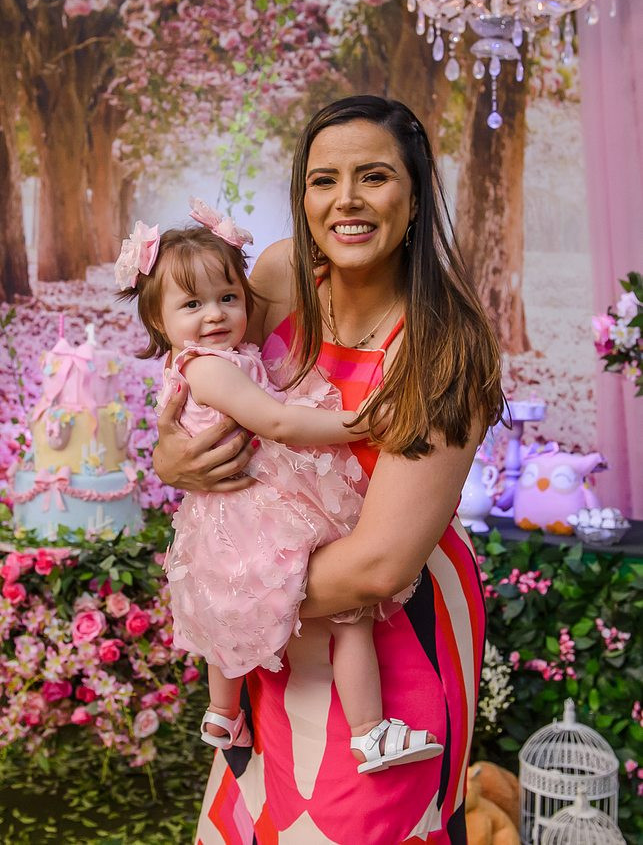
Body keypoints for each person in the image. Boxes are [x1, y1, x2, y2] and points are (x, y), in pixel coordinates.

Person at [153, 96, 504, 843]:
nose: (345, 200)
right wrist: (172, 459)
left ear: (416, 196)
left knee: (355, 823)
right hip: (279, 625)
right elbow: (214, 391)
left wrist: (228, 593)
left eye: (373, 176)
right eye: (323, 180)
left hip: (384, 626)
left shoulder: (444, 344)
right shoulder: (279, 276)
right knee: (259, 816)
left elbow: (379, 567)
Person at [115, 199, 443, 775]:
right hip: (254, 509)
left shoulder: (226, 356)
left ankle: (225, 714)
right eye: (192, 304)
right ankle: (366, 731)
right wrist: (362, 423)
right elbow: (279, 423)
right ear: (160, 324)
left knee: (235, 614)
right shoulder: (207, 367)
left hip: (244, 506)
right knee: (349, 617)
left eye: (228, 297)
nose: (215, 315)